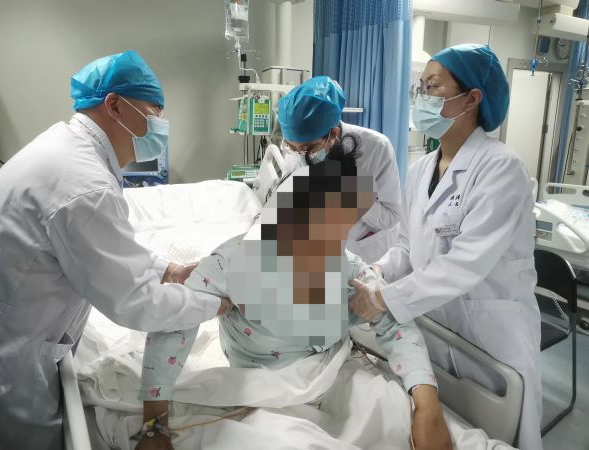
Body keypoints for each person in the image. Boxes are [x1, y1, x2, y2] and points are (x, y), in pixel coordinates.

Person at [134, 144, 452, 450]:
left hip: (328, 370)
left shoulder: (347, 270)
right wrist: (154, 425)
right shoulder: (231, 263)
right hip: (259, 381)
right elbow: (175, 323)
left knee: (392, 417)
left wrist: (428, 407)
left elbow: (396, 325)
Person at [0, 50, 231, 450]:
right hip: (9, 360)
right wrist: (215, 304)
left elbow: (104, 247)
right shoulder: (85, 185)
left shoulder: (67, 150)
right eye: (154, 112)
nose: (161, 125)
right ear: (115, 105)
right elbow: (139, 303)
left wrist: (167, 269)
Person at [348, 44, 542, 450]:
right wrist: (379, 270)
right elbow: (407, 246)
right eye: (420, 87)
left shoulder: (501, 168)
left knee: (498, 434)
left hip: (490, 336)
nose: (422, 97)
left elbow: (464, 265)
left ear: (472, 99)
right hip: (437, 328)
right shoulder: (421, 168)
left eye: (433, 86)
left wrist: (382, 298)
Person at [276, 76, 401, 264]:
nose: (300, 155)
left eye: (308, 148)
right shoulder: (294, 148)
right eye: (291, 147)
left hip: (365, 253)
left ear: (333, 134)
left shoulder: (377, 148)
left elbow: (392, 216)